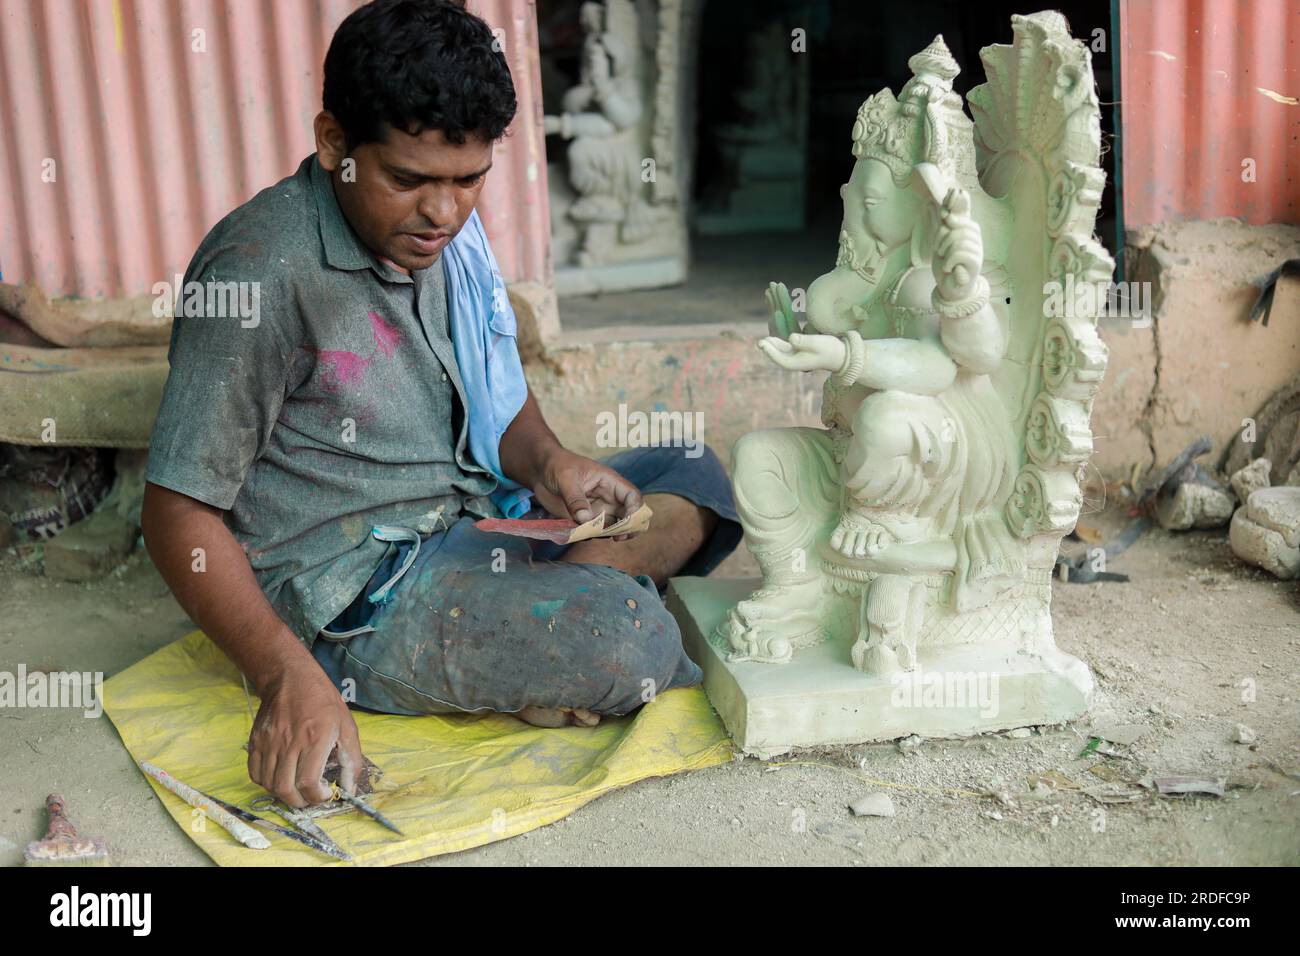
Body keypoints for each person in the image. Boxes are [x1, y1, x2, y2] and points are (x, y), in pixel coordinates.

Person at [141, 0, 739, 809]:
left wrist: (552, 463)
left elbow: (500, 405)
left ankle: (557, 598)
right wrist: (283, 673)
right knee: (626, 640)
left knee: (695, 468)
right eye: (409, 179)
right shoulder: (260, 274)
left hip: (474, 512)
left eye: (469, 181)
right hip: (365, 592)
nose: (444, 214)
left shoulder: (441, 236)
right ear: (335, 144)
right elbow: (178, 513)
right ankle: (572, 604)